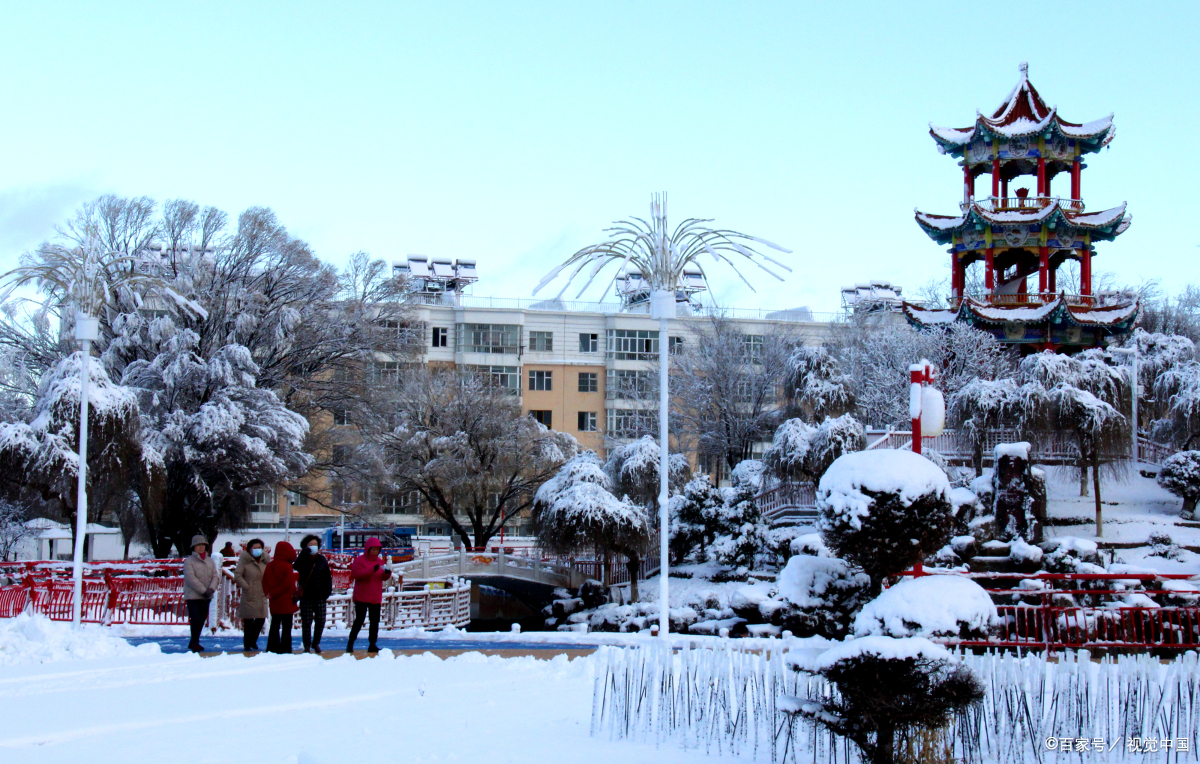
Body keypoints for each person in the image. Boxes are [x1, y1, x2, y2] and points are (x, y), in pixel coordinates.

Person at [346, 537, 391, 653]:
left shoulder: (380, 562)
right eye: (373, 549)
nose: (375, 552)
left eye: (377, 549)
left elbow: (382, 577)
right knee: (359, 620)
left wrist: (387, 573)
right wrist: (371, 570)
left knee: (375, 621)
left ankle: (372, 643)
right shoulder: (359, 561)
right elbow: (356, 574)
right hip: (362, 596)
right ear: (368, 549)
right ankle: (351, 641)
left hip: (375, 596)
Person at [294, 534, 334, 654]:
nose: (313, 547)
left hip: (320, 595)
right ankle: (306, 645)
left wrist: (327, 592)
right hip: (306, 595)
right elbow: (296, 566)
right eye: (310, 545)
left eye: (315, 545)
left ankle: (316, 642)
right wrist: (303, 554)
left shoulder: (322, 560)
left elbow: (327, 577)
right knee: (306, 621)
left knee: (320, 620)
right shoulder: (302, 559)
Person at [182, 534, 221, 653]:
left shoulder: (210, 561)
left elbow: (215, 576)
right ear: (193, 547)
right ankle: (195, 642)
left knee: (202, 618)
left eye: (203, 545)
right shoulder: (189, 561)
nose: (201, 547)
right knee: (196, 618)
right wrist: (203, 590)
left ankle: (194, 641)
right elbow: (190, 578)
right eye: (198, 545)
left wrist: (211, 589)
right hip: (193, 595)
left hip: (207, 595)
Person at [232, 538, 271, 651]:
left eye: (259, 548)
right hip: (249, 593)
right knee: (249, 620)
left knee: (261, 618)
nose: (257, 550)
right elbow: (237, 575)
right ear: (249, 549)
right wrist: (246, 586)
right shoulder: (244, 561)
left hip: (262, 592)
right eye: (255, 548)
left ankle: (253, 640)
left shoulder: (265, 561)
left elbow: (270, 574)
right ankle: (247, 643)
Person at [262, 541, 299, 654]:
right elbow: (287, 583)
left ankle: (272, 647)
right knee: (287, 627)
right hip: (286, 600)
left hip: (274, 601)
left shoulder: (270, 565)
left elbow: (264, 581)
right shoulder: (288, 567)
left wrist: (269, 593)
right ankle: (285, 648)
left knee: (275, 625)